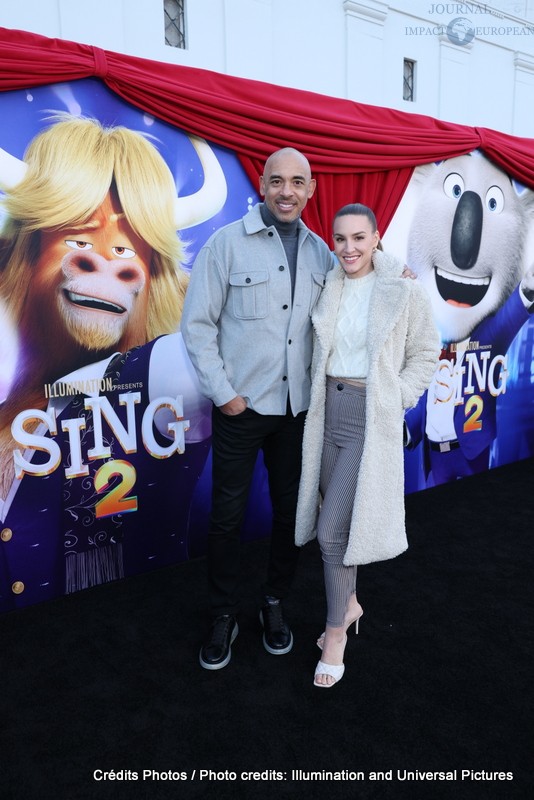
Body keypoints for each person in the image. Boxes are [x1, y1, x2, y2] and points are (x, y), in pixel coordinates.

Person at [180, 147, 337, 669]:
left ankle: (274, 601)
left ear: (310, 189)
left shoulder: (324, 257)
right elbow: (198, 325)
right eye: (277, 181)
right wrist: (224, 393)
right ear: (263, 186)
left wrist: (395, 278)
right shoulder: (225, 246)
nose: (287, 191)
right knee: (226, 518)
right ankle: (223, 613)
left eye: (297, 182)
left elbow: (354, 304)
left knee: (293, 518)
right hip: (240, 411)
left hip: (298, 414)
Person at [295, 203, 440, 687]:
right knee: (337, 525)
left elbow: (425, 352)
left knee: (332, 531)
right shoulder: (328, 284)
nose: (349, 248)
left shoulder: (403, 288)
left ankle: (335, 632)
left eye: (360, 237)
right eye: (340, 239)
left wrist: (395, 398)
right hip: (326, 415)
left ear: (377, 237)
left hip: (367, 419)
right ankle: (350, 603)